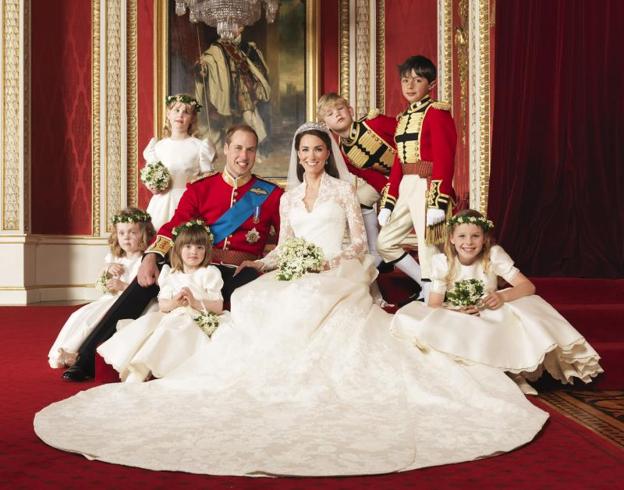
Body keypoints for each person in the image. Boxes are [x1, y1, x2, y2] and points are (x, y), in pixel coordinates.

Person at [35, 123, 548, 476]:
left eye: (317, 150)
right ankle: (106, 357)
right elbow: (275, 244)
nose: (310, 157)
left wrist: (316, 262)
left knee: (288, 298)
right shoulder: (252, 193)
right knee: (251, 297)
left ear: (326, 153)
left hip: (331, 270)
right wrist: (256, 261)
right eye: (302, 151)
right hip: (251, 262)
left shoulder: (318, 193)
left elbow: (354, 244)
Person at [61, 124, 282, 382]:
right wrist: (151, 257)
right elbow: (172, 228)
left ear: (256, 153)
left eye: (250, 150)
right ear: (225, 149)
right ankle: (86, 357)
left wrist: (262, 264)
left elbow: (285, 238)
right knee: (147, 280)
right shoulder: (201, 188)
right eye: (238, 148)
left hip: (237, 272)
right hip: (195, 264)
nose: (243, 156)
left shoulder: (272, 195)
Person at [392, 209, 603, 393]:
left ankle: (515, 373)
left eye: (475, 236)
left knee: (518, 311)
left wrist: (502, 296)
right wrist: (456, 311)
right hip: (459, 312)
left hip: (489, 310)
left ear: (484, 238)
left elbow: (528, 286)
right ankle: (476, 376)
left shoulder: (493, 255)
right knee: (429, 321)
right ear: (452, 239)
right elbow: (434, 304)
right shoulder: (443, 261)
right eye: (462, 236)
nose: (469, 242)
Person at [97, 220, 227, 382]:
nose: (193, 252)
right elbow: (164, 305)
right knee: (147, 328)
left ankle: (146, 367)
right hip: (172, 313)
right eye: (188, 247)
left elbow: (218, 306)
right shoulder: (170, 273)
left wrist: (194, 302)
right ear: (178, 249)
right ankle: (137, 368)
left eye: (199, 247)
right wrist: (175, 303)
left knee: (173, 330)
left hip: (197, 316)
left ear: (206, 251)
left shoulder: (209, 273)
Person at [377, 55, 457, 301]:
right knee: (385, 242)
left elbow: (445, 159)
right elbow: (399, 163)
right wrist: (389, 202)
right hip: (406, 186)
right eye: (405, 80)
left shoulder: (437, 112)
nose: (410, 86)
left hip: (428, 185)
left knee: (428, 243)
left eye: (417, 80)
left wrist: (438, 201)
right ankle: (424, 285)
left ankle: (432, 291)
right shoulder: (403, 118)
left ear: (430, 85)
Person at [48, 208, 156, 369]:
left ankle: (79, 354)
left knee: (97, 319)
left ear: (145, 234)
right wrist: (107, 270)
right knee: (80, 315)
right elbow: (101, 282)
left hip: (128, 303)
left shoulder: (145, 260)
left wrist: (122, 286)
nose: (126, 237)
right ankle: (68, 349)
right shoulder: (115, 257)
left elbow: (142, 291)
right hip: (110, 298)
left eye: (132, 232)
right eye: (121, 233)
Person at [318, 92, 397, 267]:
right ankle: (376, 254)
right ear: (325, 124)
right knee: (358, 201)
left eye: (340, 109)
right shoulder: (343, 153)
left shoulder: (374, 123)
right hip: (388, 181)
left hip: (411, 172)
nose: (337, 114)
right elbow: (370, 176)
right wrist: (389, 190)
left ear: (351, 110)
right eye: (330, 114)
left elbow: (406, 140)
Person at [143, 94, 216, 229]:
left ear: (192, 119)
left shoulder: (200, 146)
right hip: (161, 204)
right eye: (176, 110)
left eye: (186, 112)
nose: (180, 115)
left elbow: (208, 181)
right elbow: (150, 174)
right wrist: (153, 186)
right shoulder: (158, 147)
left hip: (188, 203)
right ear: (169, 115)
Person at [195, 31, 271, 148]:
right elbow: (209, 61)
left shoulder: (247, 46)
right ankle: (229, 148)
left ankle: (258, 145)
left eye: (238, 26)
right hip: (227, 89)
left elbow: (256, 67)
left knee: (250, 117)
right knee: (227, 121)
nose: (234, 29)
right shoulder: (217, 48)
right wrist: (203, 67)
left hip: (242, 87)